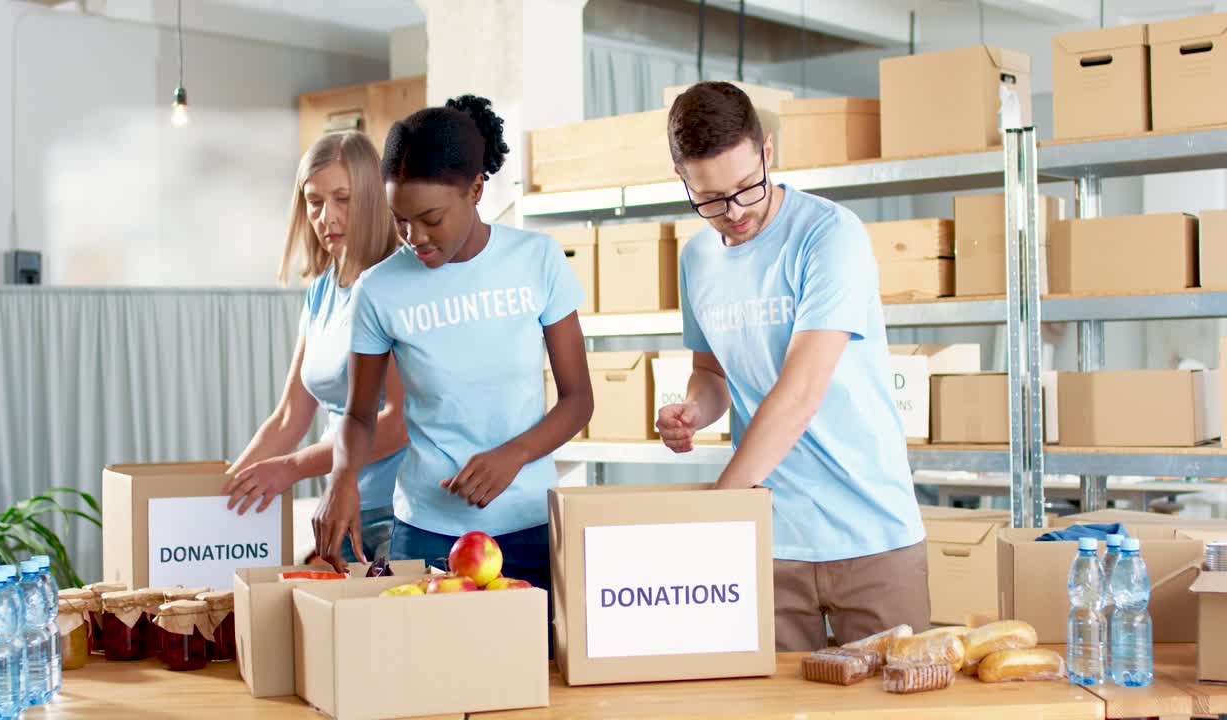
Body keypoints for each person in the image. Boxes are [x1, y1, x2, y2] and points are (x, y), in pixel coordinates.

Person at [656, 82, 928, 651]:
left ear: (768, 152)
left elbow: (802, 388)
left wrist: (717, 508)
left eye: (746, 187)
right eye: (709, 198)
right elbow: (712, 373)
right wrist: (692, 411)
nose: (734, 213)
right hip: (768, 536)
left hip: (870, 530)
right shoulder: (696, 260)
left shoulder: (829, 236)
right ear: (682, 179)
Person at [312, 95, 593, 593]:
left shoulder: (538, 260)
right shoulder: (378, 289)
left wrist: (514, 455)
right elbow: (358, 416)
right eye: (400, 219)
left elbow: (578, 401)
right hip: (424, 535)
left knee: (533, 671)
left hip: (529, 528)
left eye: (431, 218)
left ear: (476, 189)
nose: (413, 236)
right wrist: (342, 475)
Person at [224, 131, 409, 564]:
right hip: (341, 509)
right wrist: (227, 490)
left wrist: (291, 468)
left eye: (342, 198)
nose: (327, 216)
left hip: (399, 513)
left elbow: (398, 422)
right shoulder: (321, 292)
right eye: (315, 201)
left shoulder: (399, 282)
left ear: (371, 197)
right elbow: (290, 416)